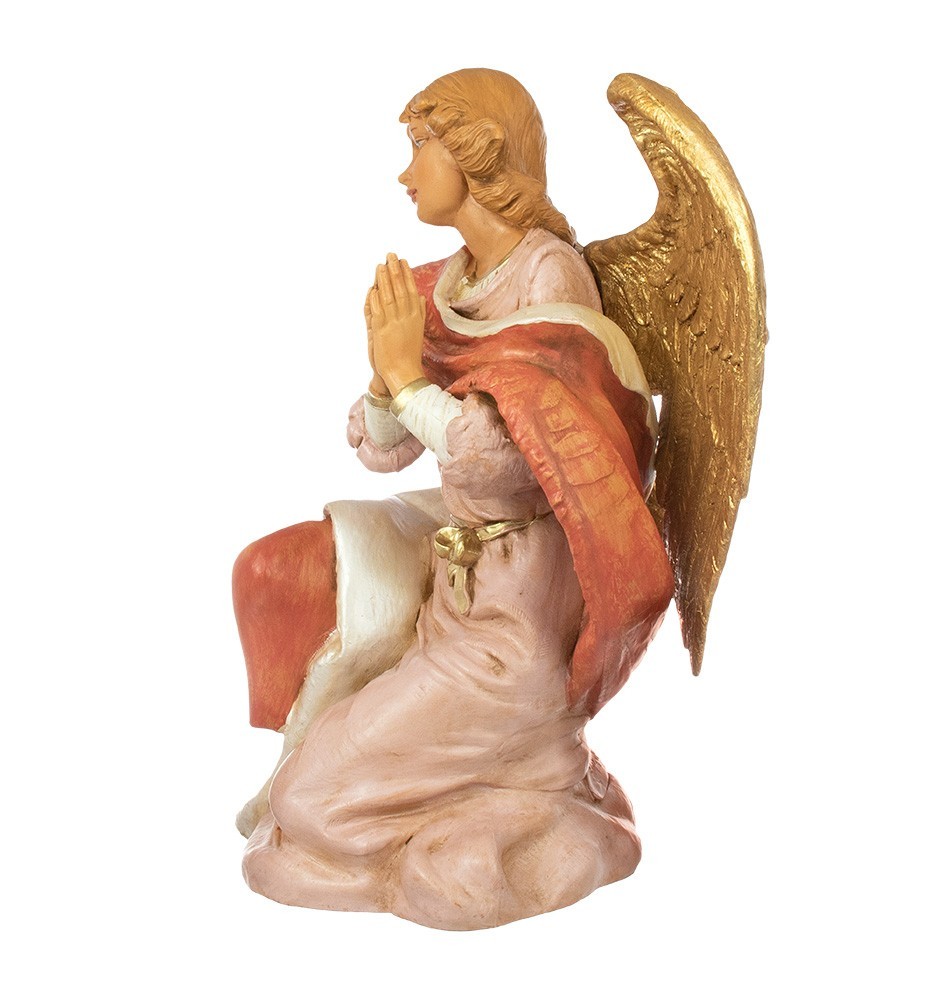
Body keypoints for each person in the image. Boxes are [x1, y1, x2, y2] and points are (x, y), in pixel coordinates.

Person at [236, 69, 674, 929]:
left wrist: (408, 378)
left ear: (477, 151)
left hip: (518, 635)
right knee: (299, 789)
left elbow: (514, 461)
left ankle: (533, 792)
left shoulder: (551, 277)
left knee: (310, 805)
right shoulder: (454, 282)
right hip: (456, 603)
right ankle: (518, 786)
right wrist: (386, 379)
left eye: (420, 146)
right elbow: (387, 446)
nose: (406, 172)